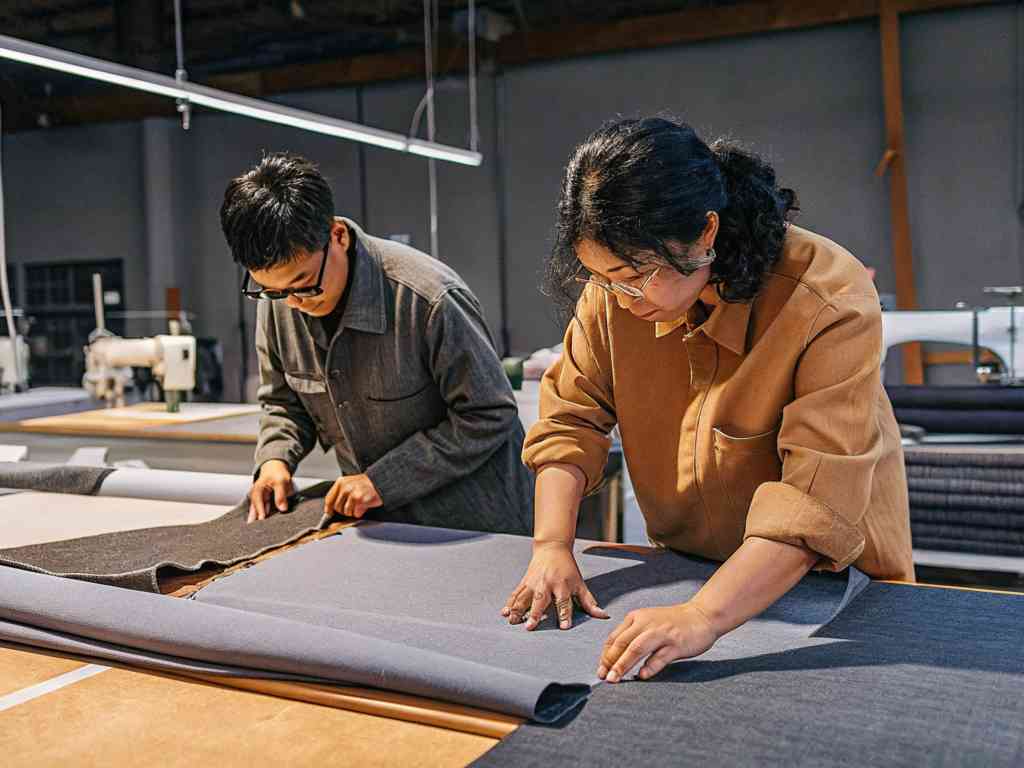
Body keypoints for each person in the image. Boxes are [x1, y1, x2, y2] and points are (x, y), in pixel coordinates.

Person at [502, 117, 913, 684]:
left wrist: (703, 616)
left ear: (704, 235)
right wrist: (551, 545)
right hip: (692, 571)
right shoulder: (613, 297)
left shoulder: (825, 297)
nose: (622, 300)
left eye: (634, 275)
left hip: (834, 583)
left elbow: (812, 504)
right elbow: (571, 420)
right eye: (602, 278)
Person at [221, 152, 532, 534]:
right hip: (380, 527)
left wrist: (382, 481)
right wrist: (274, 460)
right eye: (271, 290)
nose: (293, 303)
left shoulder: (428, 298)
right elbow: (283, 402)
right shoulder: (281, 300)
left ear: (337, 235)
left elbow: (488, 415)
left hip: (475, 524)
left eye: (304, 284)